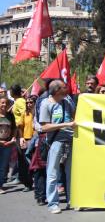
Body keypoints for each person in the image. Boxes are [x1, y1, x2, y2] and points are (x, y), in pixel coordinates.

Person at [38, 79, 76, 214]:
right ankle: (53, 203)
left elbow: (74, 116)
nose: (67, 88)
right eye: (64, 87)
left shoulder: (68, 101)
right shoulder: (46, 104)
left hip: (71, 141)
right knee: (53, 173)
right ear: (56, 90)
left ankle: (73, 200)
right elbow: (44, 127)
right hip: (56, 142)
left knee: (71, 173)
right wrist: (65, 125)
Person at [0, 96, 18, 194]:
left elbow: (14, 128)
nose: (4, 105)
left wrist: (13, 138)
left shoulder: (10, 115)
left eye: (6, 103)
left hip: (7, 144)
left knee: (3, 166)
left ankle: (0, 185)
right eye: (2, 103)